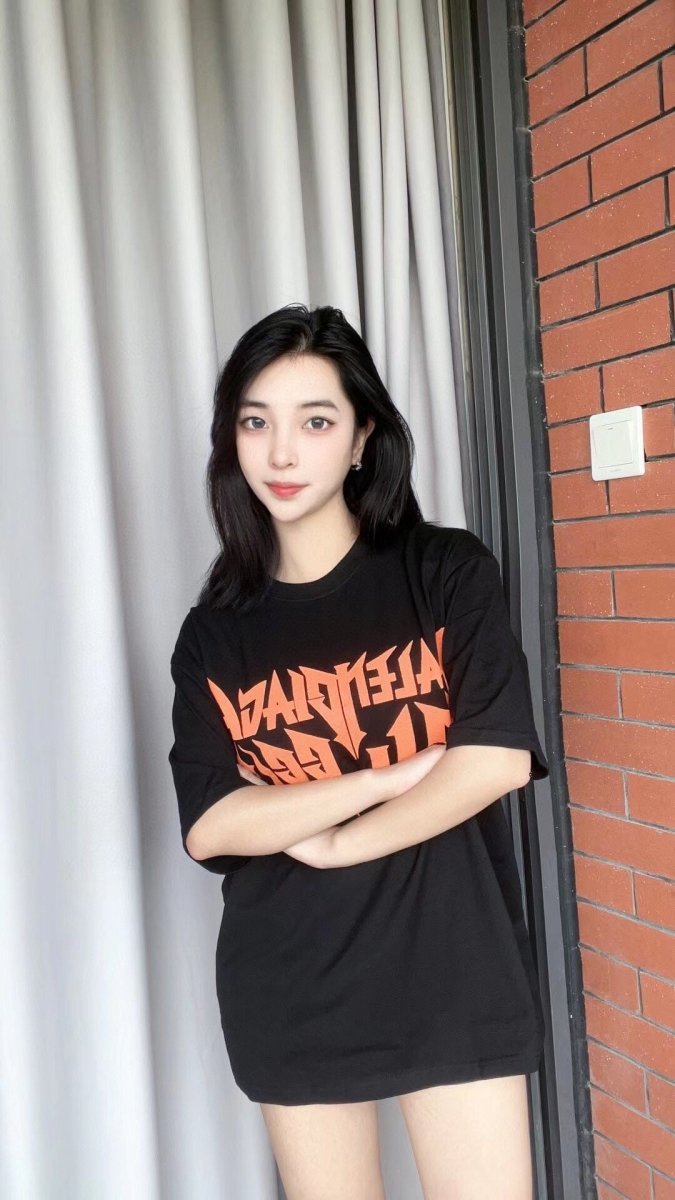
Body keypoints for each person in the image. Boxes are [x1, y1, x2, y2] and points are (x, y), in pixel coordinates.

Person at [168, 302, 550, 1200]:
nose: (281, 453)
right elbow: (213, 824)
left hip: (452, 963)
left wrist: (334, 837)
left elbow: (494, 759)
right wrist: (386, 776)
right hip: (292, 981)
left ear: (361, 439)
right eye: (255, 422)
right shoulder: (215, 634)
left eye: (315, 422)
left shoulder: (443, 571)